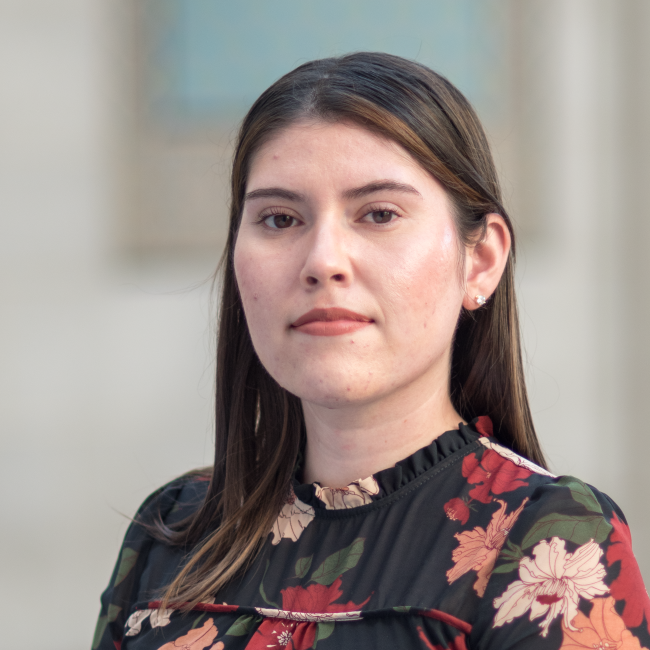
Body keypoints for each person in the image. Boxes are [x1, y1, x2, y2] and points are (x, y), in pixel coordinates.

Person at [93, 52, 650, 650]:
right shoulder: (174, 530)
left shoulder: (548, 541)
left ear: (481, 260)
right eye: (279, 220)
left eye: (379, 214)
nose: (323, 261)